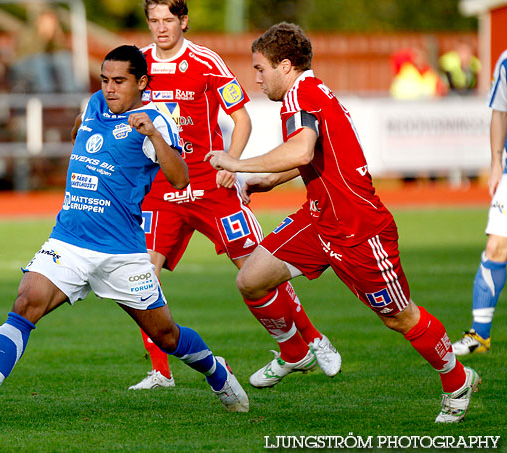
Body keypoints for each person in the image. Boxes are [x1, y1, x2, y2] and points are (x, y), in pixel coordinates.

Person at [0, 45, 249, 422]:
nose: (110, 88)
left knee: (166, 336)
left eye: (119, 81)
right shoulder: (93, 104)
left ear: (142, 82)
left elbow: (180, 176)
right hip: (70, 239)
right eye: (105, 80)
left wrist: (153, 136)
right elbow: (82, 131)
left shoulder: (156, 118)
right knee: (26, 301)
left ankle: (217, 373)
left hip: (121, 251)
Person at [206, 22, 480, 423]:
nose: (257, 78)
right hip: (318, 220)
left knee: (399, 317)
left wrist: (237, 163)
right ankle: (295, 353)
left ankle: (457, 380)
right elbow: (313, 158)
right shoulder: (307, 94)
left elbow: (301, 150)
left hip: (358, 228)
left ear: (285, 65)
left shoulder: (304, 92)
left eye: (260, 68)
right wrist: (265, 180)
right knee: (251, 278)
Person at [125, 0, 341, 391]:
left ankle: (311, 339)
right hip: (159, 188)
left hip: (212, 185)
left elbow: (241, 117)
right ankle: (160, 371)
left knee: (257, 266)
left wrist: (232, 164)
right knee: (140, 277)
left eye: (168, 20)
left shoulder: (206, 61)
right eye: (153, 20)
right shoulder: (136, 64)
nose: (160, 28)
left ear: (183, 21)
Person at [452, 49, 507, 356]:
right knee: (496, 248)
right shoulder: (506, 61)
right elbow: (500, 112)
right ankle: (480, 336)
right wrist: (496, 161)